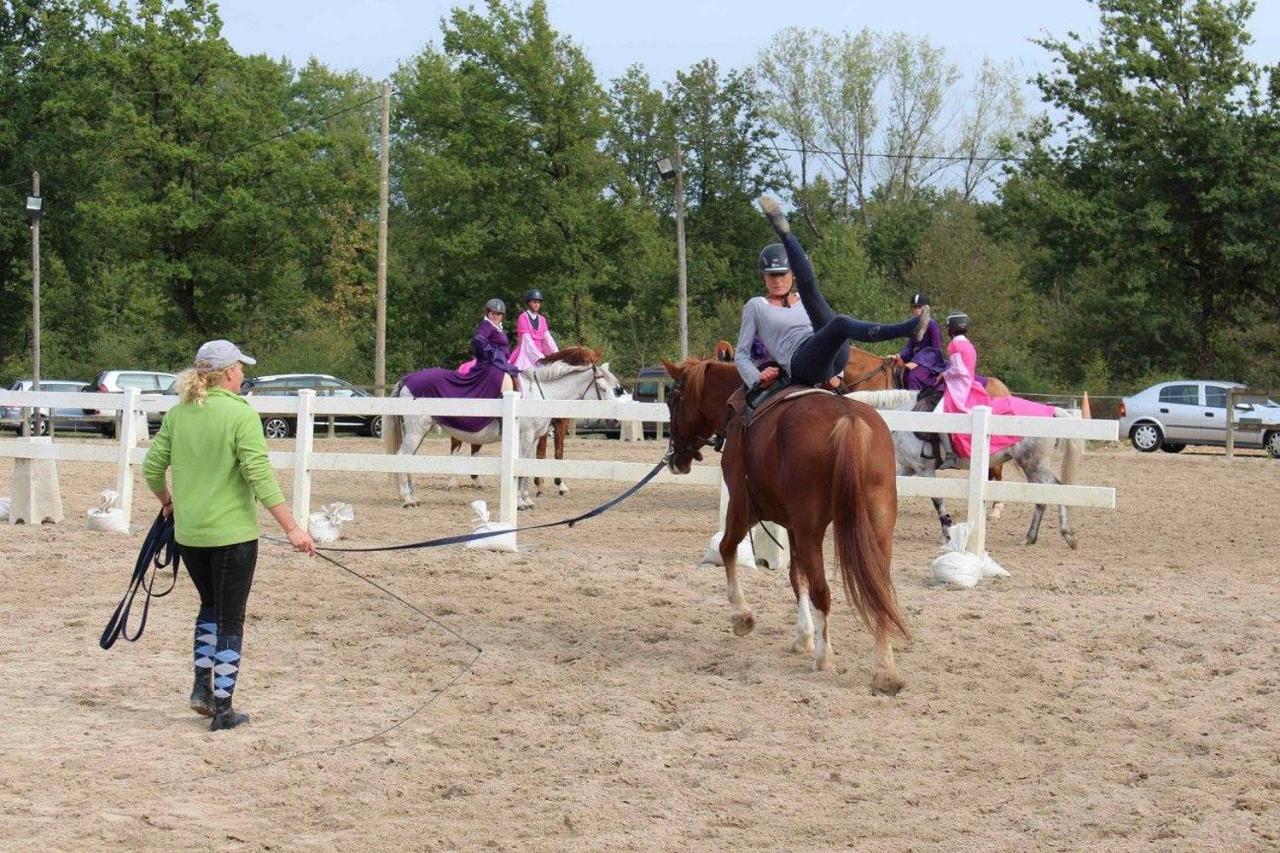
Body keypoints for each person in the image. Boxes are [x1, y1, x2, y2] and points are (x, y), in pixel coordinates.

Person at [143, 340, 315, 732]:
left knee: (208, 607)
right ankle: (223, 708)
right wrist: (292, 528)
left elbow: (152, 469)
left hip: (190, 536)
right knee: (231, 618)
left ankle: (202, 690)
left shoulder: (179, 413)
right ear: (227, 373)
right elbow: (259, 475)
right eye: (239, 368)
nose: (242, 374)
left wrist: (168, 502)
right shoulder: (241, 415)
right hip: (232, 536)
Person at [734, 196, 928, 391]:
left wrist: (838, 374)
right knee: (841, 322)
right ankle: (906, 329)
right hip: (800, 363)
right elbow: (741, 354)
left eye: (782, 274)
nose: (777, 280)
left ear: (792, 275)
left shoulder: (802, 300)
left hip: (830, 357)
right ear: (763, 278)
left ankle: (785, 233)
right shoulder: (756, 305)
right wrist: (757, 377)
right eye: (771, 276)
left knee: (817, 299)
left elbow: (829, 335)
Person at [940, 311, 1055, 459]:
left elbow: (959, 369)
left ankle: (950, 453)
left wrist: (945, 374)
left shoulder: (955, 345)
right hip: (969, 384)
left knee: (939, 414)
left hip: (959, 389)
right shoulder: (968, 345)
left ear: (951, 328)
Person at [895, 292, 946, 392]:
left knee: (913, 376)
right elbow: (909, 347)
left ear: (925, 308)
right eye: (914, 307)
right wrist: (899, 356)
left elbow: (935, 350)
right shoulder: (914, 326)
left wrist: (917, 362)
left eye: (919, 307)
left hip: (931, 363)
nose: (916, 310)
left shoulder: (933, 325)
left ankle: (916, 404)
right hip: (916, 361)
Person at [509, 289, 559, 371]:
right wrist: (538, 356)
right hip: (525, 353)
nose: (536, 304)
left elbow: (548, 338)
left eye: (538, 302)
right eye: (534, 302)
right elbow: (527, 340)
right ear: (529, 303)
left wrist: (557, 354)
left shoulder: (542, 319)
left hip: (540, 353)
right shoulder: (523, 317)